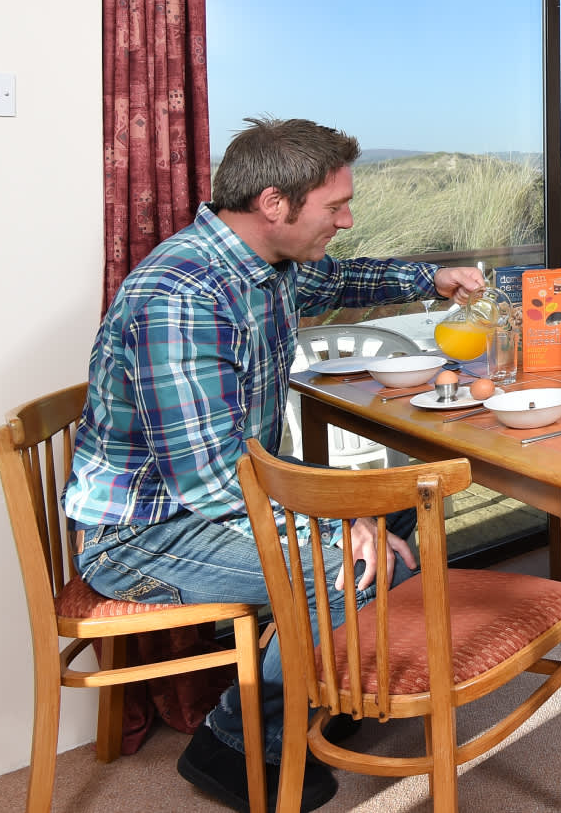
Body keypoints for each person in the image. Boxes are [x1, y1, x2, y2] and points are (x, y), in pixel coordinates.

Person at [64, 117, 484, 811]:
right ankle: (232, 743)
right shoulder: (182, 296)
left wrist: (431, 277)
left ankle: (323, 678)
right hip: (146, 531)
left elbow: (344, 281)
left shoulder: (266, 267)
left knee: (399, 500)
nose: (346, 221)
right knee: (345, 561)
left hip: (219, 497)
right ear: (273, 204)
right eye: (336, 207)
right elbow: (207, 482)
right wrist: (329, 531)